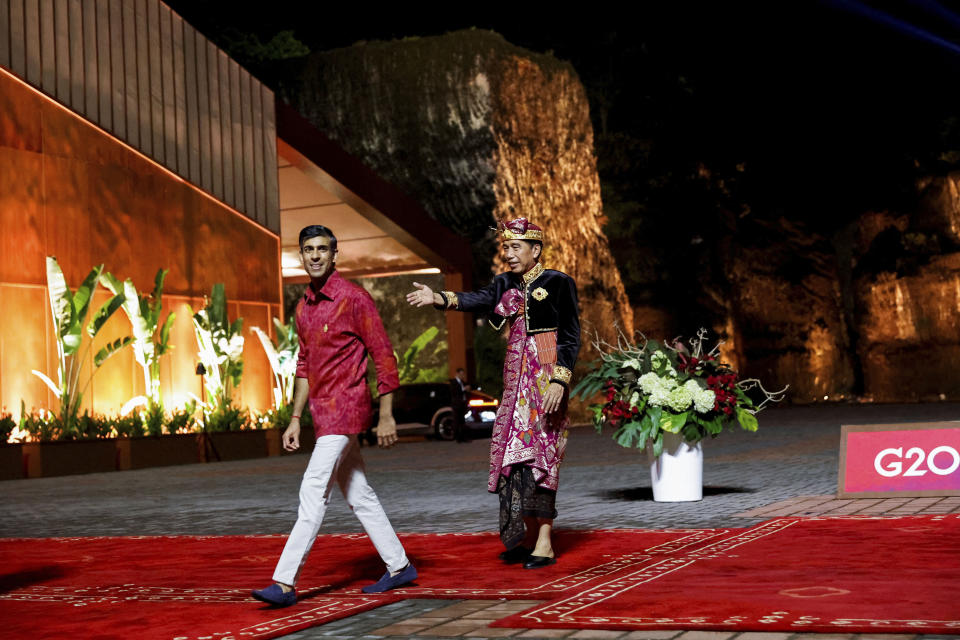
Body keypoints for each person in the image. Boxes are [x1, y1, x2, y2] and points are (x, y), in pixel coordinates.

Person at [252, 225, 417, 607]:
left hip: (347, 407)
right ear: (301, 255)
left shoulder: (354, 299)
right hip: (321, 414)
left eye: (322, 249)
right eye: (308, 249)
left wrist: (386, 414)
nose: (314, 256)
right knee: (359, 493)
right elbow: (305, 364)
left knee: (313, 488)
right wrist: (295, 417)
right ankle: (399, 565)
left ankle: (285, 582)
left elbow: (383, 355)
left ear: (334, 255)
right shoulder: (303, 306)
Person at [406, 218, 580, 569]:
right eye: (506, 247)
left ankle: (545, 541)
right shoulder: (504, 283)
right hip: (515, 385)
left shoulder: (558, 282)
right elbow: (477, 299)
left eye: (516, 247)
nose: (509, 254)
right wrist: (437, 297)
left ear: (536, 250)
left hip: (546, 382)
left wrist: (559, 382)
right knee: (514, 461)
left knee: (542, 460)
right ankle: (524, 537)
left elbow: (571, 335)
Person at [450, 367, 471, 443]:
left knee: (462, 421)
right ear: (457, 374)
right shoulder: (454, 382)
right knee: (457, 421)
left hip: (462, 404)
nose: (463, 375)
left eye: (463, 374)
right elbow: (454, 392)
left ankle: (463, 438)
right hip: (456, 405)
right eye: (461, 374)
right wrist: (464, 389)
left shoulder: (462, 382)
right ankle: (457, 437)